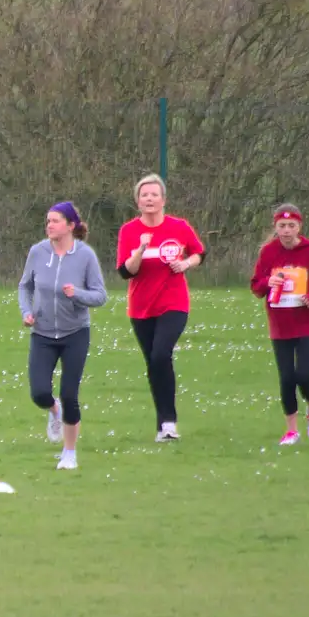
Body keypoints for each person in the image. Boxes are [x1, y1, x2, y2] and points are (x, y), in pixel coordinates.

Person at [18, 200, 108, 470]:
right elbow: (25, 286)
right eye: (47, 221)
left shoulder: (85, 256)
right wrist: (26, 311)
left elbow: (100, 296)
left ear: (70, 226)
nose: (49, 225)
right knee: (39, 393)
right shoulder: (37, 252)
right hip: (43, 333)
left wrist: (77, 294)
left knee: (70, 394)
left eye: (55, 221)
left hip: (75, 333)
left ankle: (69, 453)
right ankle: (53, 410)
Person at [116, 173, 206, 443]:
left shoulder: (179, 227)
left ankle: (169, 422)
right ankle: (163, 425)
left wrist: (186, 264)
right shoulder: (129, 231)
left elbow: (199, 252)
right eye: (144, 195)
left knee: (160, 355)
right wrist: (141, 250)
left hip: (174, 303)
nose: (149, 199)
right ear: (137, 201)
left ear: (163, 199)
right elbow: (125, 272)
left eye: (154, 194)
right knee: (154, 364)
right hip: (141, 308)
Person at [249, 204, 309, 446]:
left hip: (307, 323)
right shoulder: (268, 252)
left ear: (299, 226)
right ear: (275, 227)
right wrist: (269, 281)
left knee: (304, 374)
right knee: (287, 378)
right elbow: (256, 287)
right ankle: (291, 430)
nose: (286, 231)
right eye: (282, 226)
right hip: (280, 324)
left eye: (291, 226)